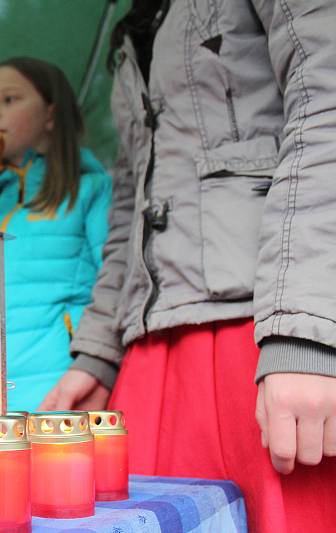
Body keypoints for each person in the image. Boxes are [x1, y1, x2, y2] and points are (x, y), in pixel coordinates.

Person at [39, 1, 336, 531]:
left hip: (268, 339)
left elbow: (327, 107)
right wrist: (100, 353)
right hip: (148, 357)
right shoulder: (131, 35)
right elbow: (129, 205)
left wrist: (307, 332)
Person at [0, 57, 112, 413]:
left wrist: (95, 371)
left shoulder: (93, 189)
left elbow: (118, 295)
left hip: (57, 404)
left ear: (50, 115)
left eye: (9, 99)